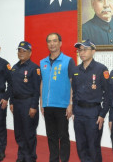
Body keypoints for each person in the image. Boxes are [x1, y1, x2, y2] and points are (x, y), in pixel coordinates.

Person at [71, 39, 110, 162]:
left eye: (85, 49)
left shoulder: (101, 69)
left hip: (94, 113)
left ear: (93, 51)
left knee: (93, 146)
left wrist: (102, 114)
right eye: (80, 50)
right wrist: (73, 109)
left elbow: (108, 94)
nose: (82, 52)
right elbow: (74, 92)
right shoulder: (76, 70)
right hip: (79, 112)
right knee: (81, 145)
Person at [40, 33, 75, 162]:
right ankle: (53, 159)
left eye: (55, 41)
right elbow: (42, 82)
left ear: (60, 43)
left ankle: (64, 159)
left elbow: (73, 82)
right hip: (48, 105)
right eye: (49, 41)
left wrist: (70, 103)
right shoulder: (42, 62)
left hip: (62, 105)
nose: (52, 44)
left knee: (63, 136)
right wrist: (41, 102)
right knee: (51, 136)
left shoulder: (68, 61)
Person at [10, 41, 41, 162]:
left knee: (29, 133)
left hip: (28, 104)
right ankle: (21, 155)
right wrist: (11, 102)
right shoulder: (14, 68)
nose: (21, 53)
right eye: (19, 50)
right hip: (17, 104)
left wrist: (34, 106)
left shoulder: (34, 68)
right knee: (19, 132)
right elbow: (12, 87)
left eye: (24, 51)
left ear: (30, 52)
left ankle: (30, 157)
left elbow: (36, 90)